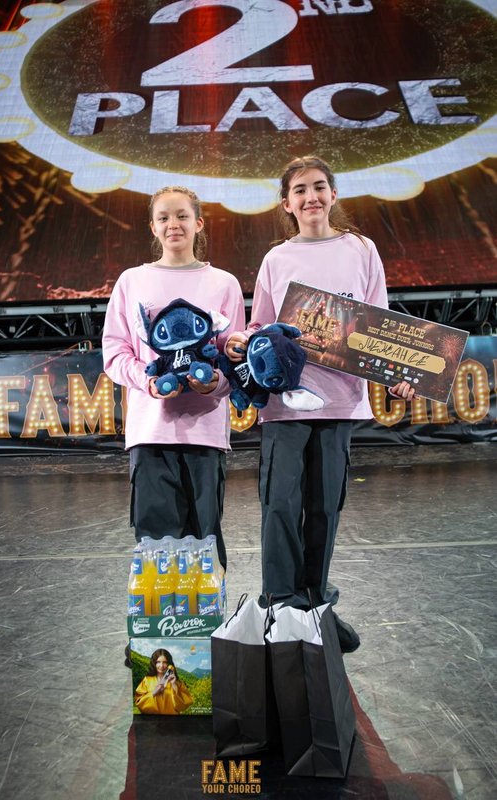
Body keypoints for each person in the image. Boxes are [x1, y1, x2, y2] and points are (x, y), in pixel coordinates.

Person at [225, 156, 415, 653]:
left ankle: (315, 609)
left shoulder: (361, 249)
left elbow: (382, 325)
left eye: (318, 187)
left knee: (325, 508)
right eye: (300, 190)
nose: (310, 197)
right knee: (280, 505)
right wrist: (243, 341)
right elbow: (261, 324)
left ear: (333, 194)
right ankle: (279, 608)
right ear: (287, 203)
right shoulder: (277, 259)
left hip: (341, 400)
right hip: (287, 405)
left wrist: (400, 374)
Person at [102, 186, 245, 572]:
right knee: (156, 553)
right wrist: (146, 381)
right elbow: (115, 352)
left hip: (206, 435)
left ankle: (207, 614)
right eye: (163, 217)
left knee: (203, 547)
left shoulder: (224, 283)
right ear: (153, 227)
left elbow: (234, 357)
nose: (173, 224)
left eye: (182, 215)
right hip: (151, 435)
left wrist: (213, 383)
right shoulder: (132, 281)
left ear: (199, 223)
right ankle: (158, 616)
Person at [134, 649, 193, 715]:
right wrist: (153, 693)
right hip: (152, 720)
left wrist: (174, 685)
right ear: (154, 663)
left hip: (172, 720)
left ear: (169, 664)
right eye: (158, 662)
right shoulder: (147, 680)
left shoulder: (177, 683)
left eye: (165, 662)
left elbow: (184, 706)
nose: (161, 665)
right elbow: (138, 703)